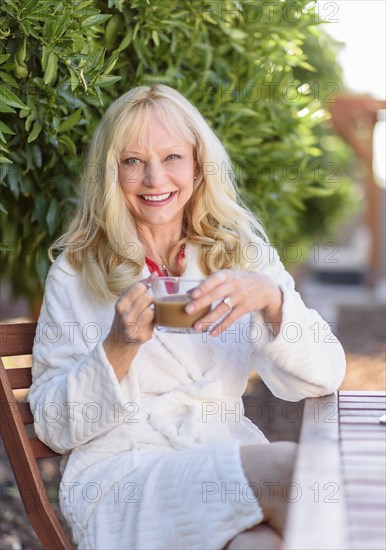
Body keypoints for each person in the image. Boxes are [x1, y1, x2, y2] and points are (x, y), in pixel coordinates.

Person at [29, 84, 346, 550]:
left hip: (218, 456)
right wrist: (118, 347)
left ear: (198, 164)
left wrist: (274, 302)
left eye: (172, 156)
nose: (155, 179)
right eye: (133, 161)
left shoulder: (240, 253)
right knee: (292, 472)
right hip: (124, 480)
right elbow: (54, 428)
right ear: (110, 172)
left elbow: (327, 375)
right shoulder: (78, 271)